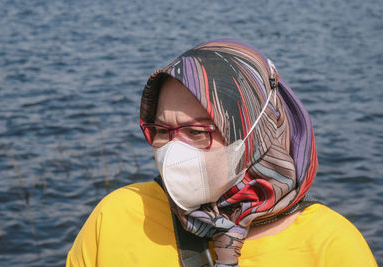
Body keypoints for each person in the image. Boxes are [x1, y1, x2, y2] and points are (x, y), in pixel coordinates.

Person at [66, 39, 377, 266]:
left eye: (198, 132)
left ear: (256, 132)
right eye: (162, 131)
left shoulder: (330, 246)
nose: (173, 150)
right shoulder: (117, 216)